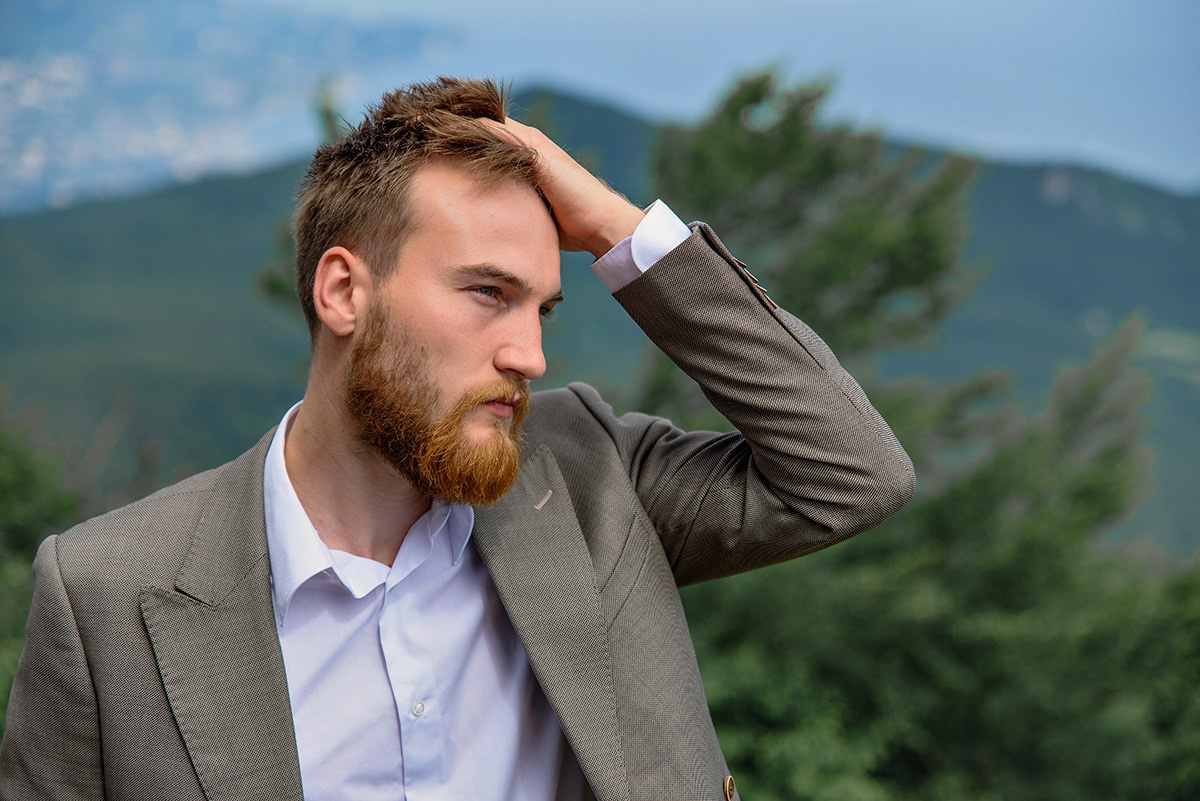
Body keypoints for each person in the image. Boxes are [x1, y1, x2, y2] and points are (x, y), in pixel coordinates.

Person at [0, 77, 914, 801]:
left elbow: (851, 473)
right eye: (487, 292)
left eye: (541, 305)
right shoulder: (107, 597)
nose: (531, 352)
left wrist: (619, 233)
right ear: (343, 292)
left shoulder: (593, 479)